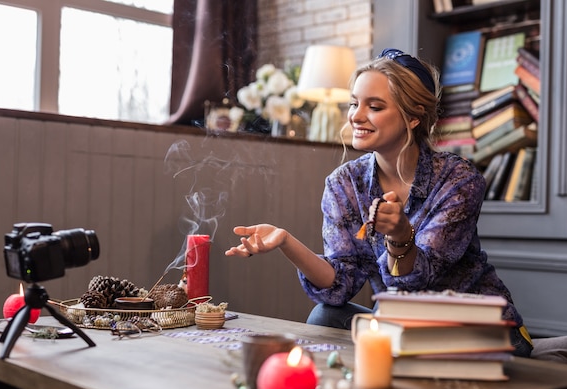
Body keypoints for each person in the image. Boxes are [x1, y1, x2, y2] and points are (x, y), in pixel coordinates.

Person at [225, 48, 533, 357]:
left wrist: (400, 237)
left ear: (413, 116)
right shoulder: (344, 183)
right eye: (354, 103)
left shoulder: (459, 180)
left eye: (374, 106)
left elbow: (419, 283)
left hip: (474, 327)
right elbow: (340, 285)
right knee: (326, 317)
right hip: (403, 325)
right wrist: (286, 242)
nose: (356, 116)